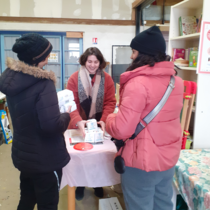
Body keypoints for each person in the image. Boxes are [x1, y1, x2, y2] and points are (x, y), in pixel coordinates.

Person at [106, 26, 183, 210]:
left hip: (141, 161)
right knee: (163, 204)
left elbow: (122, 129)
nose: (131, 56)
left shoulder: (137, 83)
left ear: (144, 54)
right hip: (168, 160)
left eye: (134, 51)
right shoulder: (176, 82)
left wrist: (110, 118)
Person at [0, 33, 71, 210]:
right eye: (46, 55)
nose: (48, 58)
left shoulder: (10, 77)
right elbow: (51, 125)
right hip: (45, 158)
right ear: (37, 57)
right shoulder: (43, 83)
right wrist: (66, 115)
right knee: (48, 203)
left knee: (27, 198)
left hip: (24, 154)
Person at [66, 47, 116, 200]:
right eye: (89, 61)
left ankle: (97, 184)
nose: (92, 65)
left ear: (100, 62)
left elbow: (110, 102)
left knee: (97, 157)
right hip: (79, 125)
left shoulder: (107, 79)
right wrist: (78, 121)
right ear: (84, 61)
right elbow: (71, 103)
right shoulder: (74, 78)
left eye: (96, 62)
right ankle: (80, 184)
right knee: (81, 156)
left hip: (99, 125)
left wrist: (104, 119)